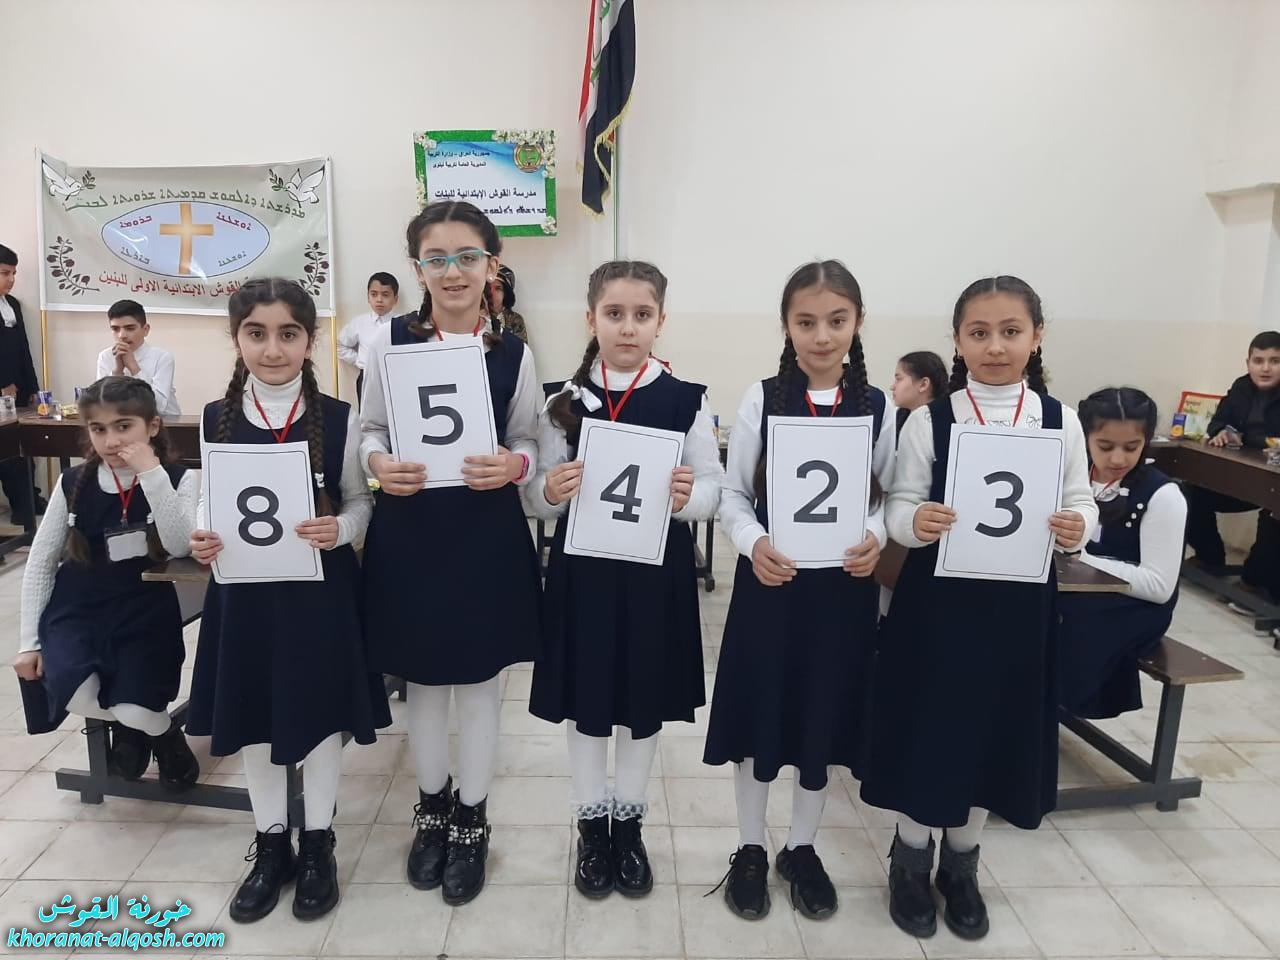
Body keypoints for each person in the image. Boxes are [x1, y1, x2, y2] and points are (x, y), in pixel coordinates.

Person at [862, 275, 1097, 941]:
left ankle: (961, 867)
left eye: (1010, 331)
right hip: (939, 606)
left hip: (1018, 608)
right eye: (979, 333)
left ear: (1037, 336)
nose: (995, 346)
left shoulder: (1060, 420)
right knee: (929, 727)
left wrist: (1078, 526)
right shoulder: (931, 419)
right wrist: (916, 523)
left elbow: (1081, 500)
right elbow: (899, 505)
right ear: (958, 341)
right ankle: (910, 859)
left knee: (994, 730)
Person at [187, 278, 391, 924]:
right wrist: (203, 533)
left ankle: (319, 843)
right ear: (236, 338)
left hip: (320, 597)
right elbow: (208, 498)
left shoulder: (338, 417)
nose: (272, 349)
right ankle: (271, 843)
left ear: (310, 339)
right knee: (256, 717)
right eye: (256, 333)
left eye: (288, 334)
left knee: (320, 720)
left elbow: (360, 502)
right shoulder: (214, 417)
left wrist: (343, 530)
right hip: (245, 597)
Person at [360, 201, 542, 906]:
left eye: (467, 256)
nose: (453, 271)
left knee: (480, 683)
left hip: (483, 532)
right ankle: (431, 807)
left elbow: (528, 439)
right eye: (436, 259)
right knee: (425, 682)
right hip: (412, 530)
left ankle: (472, 816)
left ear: (491, 263)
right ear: (417, 270)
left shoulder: (514, 353)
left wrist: (515, 466)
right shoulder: (389, 343)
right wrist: (378, 465)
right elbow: (369, 430)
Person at [527, 260, 723, 900]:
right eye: (614, 314)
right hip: (584, 575)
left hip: (654, 577)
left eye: (642, 315)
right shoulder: (561, 399)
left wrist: (688, 497)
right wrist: (549, 490)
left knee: (642, 705)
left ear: (661, 321)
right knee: (587, 703)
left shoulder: (686, 398)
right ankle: (591, 826)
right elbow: (536, 495)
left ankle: (629, 826)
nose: (628, 327)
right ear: (591, 319)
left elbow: (713, 488)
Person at [705, 260, 893, 922]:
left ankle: (802, 848)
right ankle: (751, 848)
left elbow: (888, 498)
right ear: (786, 325)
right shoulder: (762, 398)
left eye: (836, 321)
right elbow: (732, 495)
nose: (821, 336)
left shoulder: (877, 405)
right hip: (772, 586)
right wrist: (754, 542)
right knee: (761, 720)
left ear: (858, 323)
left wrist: (875, 535)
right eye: (806, 322)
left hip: (842, 593)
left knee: (822, 717)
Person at [13, 376, 199, 786]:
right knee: (74, 692)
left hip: (143, 608)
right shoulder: (73, 482)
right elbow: (41, 562)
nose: (112, 441)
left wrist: (151, 474)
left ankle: (153, 730)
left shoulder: (177, 477)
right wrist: (29, 642)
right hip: (78, 608)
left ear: (152, 426)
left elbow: (179, 545)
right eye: (99, 429)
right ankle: (147, 729)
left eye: (124, 426)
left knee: (137, 709)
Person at [1060, 387, 1185, 718]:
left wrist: (1084, 560)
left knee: (1070, 620)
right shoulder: (1072, 479)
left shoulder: (1163, 496)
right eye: (1105, 446)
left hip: (1133, 608)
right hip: (1078, 591)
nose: (1118, 459)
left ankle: (1057, 707)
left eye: (1131, 447)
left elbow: (1159, 587)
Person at [1184, 331, 1280, 601]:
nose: (1265, 368)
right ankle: (1210, 557)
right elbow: (1217, 421)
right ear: (1248, 363)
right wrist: (1222, 432)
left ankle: (1254, 581)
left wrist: (1246, 437)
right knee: (1190, 490)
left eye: (1274, 361)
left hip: (1272, 481)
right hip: (1240, 477)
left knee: (1275, 512)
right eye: (1258, 361)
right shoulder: (1241, 387)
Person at [0, 243, 46, 526]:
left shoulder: (13, 305)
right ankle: (22, 505)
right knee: (6, 452)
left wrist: (33, 389)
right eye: (5, 273)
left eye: (14, 273)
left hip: (17, 393)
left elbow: (23, 350)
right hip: (2, 392)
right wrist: (2, 385)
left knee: (22, 447)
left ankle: (27, 501)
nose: (11, 279)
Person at [94, 300, 180, 417]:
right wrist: (117, 373)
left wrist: (134, 368)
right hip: (120, 422)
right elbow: (101, 405)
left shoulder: (162, 357)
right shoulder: (105, 356)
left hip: (165, 423)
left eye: (130, 328)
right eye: (115, 329)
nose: (122, 335)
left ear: (146, 330)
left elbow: (158, 407)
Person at [337, 272, 400, 404]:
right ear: (368, 297)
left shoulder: (402, 324)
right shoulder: (359, 323)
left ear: (395, 299)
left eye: (385, 295)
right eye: (374, 294)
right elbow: (340, 345)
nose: (379, 300)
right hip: (367, 376)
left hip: (395, 376)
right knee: (367, 413)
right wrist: (358, 360)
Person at [891, 350, 949, 443]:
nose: (892, 387)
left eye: (899, 379)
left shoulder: (943, 425)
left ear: (923, 384)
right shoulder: (896, 418)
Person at [487, 265, 527, 341]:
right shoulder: (476, 317)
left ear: (506, 293)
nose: (491, 293)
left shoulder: (515, 319)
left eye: (498, 288)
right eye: (488, 288)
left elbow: (521, 347)